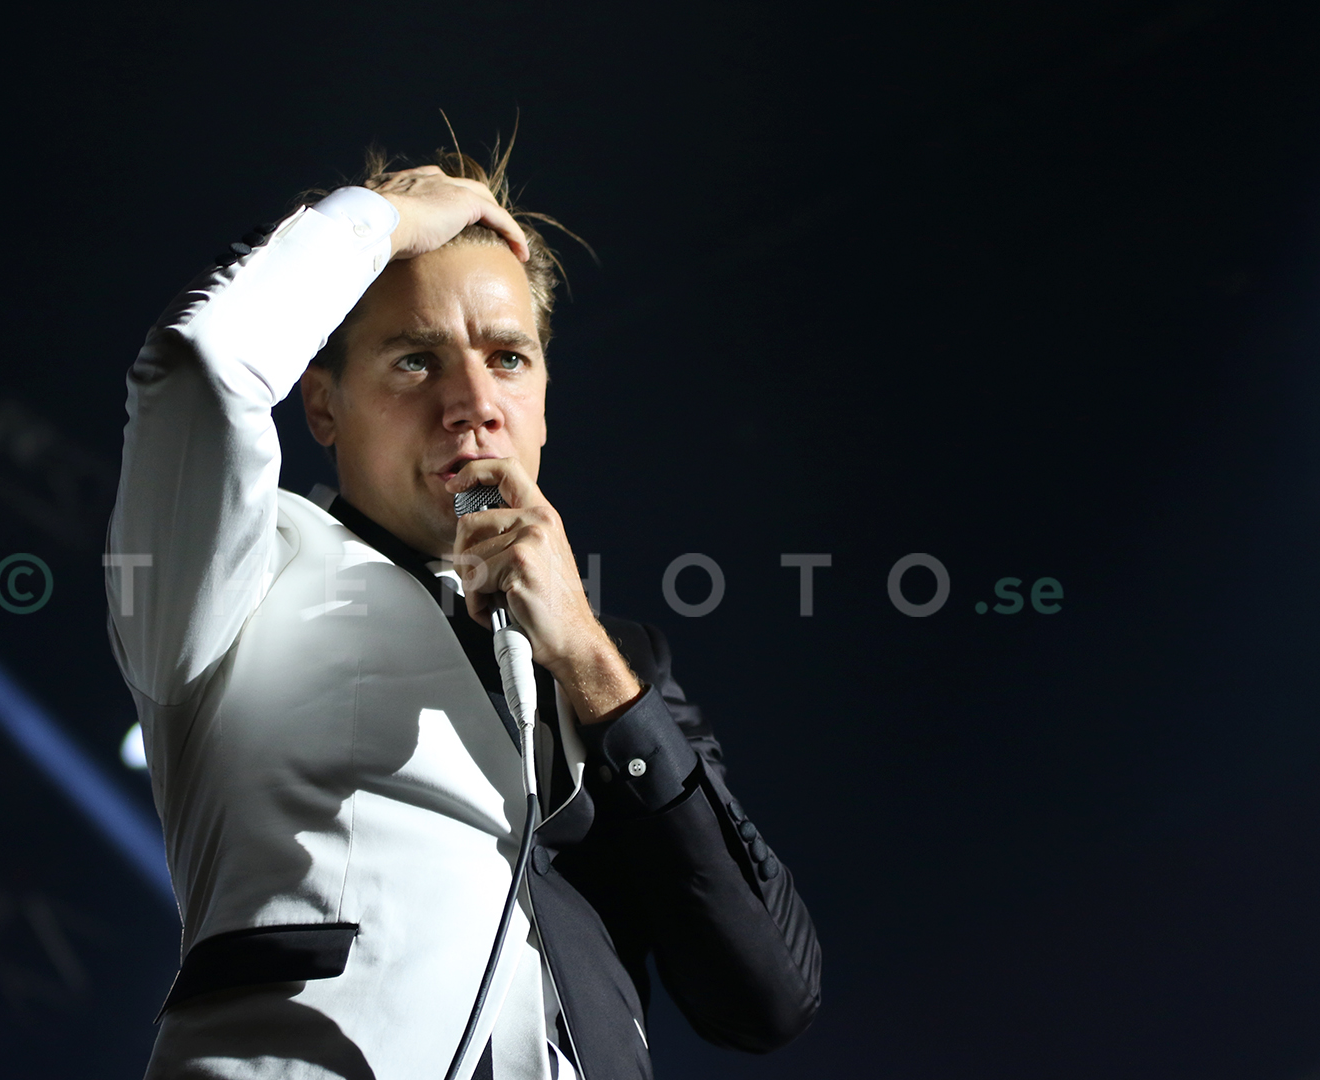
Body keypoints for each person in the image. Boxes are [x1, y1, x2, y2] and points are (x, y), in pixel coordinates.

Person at [104, 142, 821, 1080]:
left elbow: (769, 994)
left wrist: (591, 664)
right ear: (322, 405)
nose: (473, 404)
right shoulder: (242, 572)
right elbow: (200, 365)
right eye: (415, 361)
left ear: (545, 403)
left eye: (509, 358)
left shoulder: (615, 662)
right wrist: (383, 218)